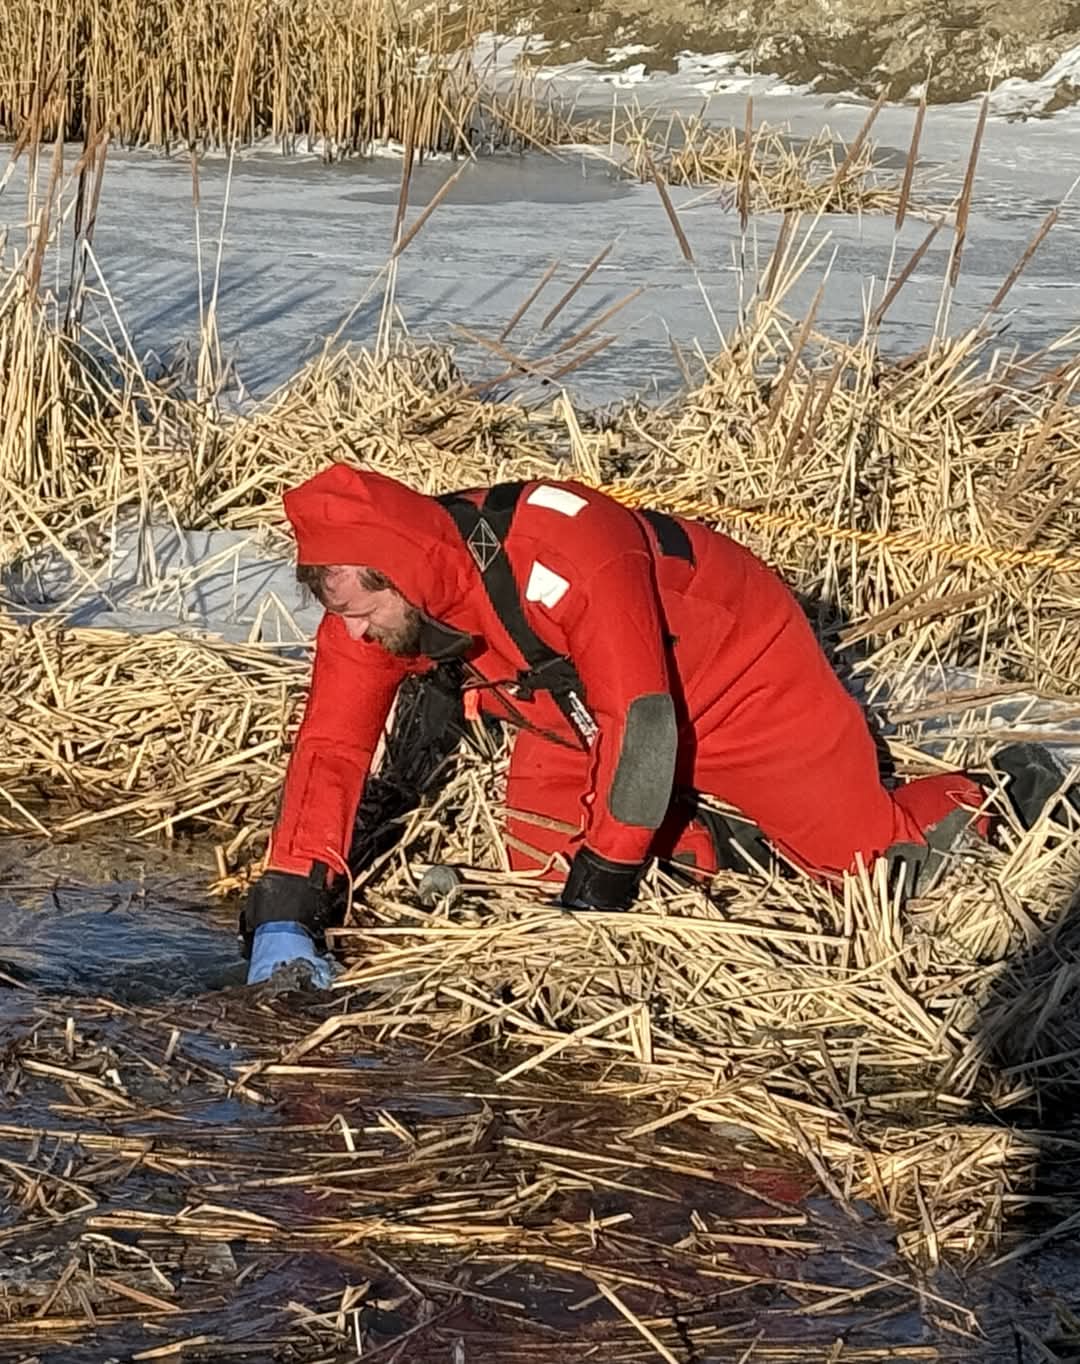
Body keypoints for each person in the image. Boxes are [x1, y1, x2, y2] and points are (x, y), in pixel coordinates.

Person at [243, 463, 991, 986]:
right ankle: (701, 841)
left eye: (364, 612)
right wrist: (287, 911)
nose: (357, 634)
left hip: (737, 675)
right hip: (569, 715)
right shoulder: (372, 607)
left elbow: (642, 721)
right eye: (344, 616)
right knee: (537, 889)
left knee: (868, 870)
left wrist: (598, 890)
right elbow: (332, 748)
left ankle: (986, 795)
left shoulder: (568, 552)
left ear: (402, 575)